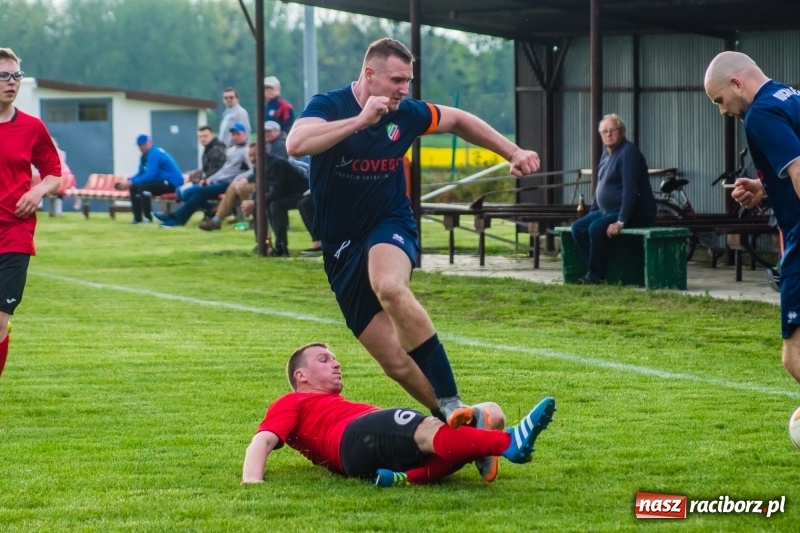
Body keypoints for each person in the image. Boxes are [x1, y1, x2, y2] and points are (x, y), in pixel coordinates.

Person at [285, 37, 541, 448]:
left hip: (390, 222)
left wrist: (512, 150)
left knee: (388, 284)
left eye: (408, 80)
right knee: (395, 363)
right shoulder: (331, 105)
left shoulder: (407, 113)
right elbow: (296, 143)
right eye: (397, 79)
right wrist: (360, 121)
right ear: (369, 75)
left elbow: (456, 119)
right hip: (340, 247)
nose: (405, 88)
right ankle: (466, 430)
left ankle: (452, 397)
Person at [241, 343, 556, 486]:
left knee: (491, 411)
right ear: (301, 376)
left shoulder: (334, 405)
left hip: (359, 452)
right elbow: (262, 441)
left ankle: (405, 479)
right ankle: (507, 443)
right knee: (426, 427)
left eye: (335, 359)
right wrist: (251, 480)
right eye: (324, 359)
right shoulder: (292, 401)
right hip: (351, 438)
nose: (336, 364)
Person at [704, 51, 800, 387]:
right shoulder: (789, 96)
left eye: (720, 100)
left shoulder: (760, 113)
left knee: (794, 356)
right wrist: (765, 186)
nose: (722, 110)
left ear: (736, 83)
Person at [0, 48, 62, 377]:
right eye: (4, 76)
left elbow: (54, 172)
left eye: (16, 76)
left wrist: (37, 190)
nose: (12, 83)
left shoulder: (31, 128)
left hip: (15, 233)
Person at [569, 114, 656, 284]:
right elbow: (601, 186)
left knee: (595, 228)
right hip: (608, 211)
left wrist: (622, 221)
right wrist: (594, 210)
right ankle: (597, 270)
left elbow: (631, 190)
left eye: (613, 130)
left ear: (623, 132)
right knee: (578, 227)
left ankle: (596, 276)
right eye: (604, 131)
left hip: (634, 212)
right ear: (600, 134)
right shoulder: (606, 154)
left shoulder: (629, 153)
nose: (608, 134)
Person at [155, 123, 250, 227]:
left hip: (230, 183)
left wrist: (239, 178)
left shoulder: (246, 150)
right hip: (219, 181)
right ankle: (177, 217)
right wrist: (210, 179)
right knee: (195, 191)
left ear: (245, 134)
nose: (235, 136)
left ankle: (177, 218)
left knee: (198, 191)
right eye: (233, 134)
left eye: (238, 134)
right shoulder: (231, 150)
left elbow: (253, 169)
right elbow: (223, 170)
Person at [115, 134, 184, 224]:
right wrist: (129, 181)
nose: (141, 147)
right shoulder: (144, 156)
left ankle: (148, 218)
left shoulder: (154, 153)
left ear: (150, 142)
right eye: (139, 145)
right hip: (161, 181)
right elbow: (141, 173)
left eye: (144, 144)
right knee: (134, 187)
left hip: (172, 183)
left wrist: (132, 182)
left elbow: (150, 175)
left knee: (143, 186)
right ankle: (137, 218)